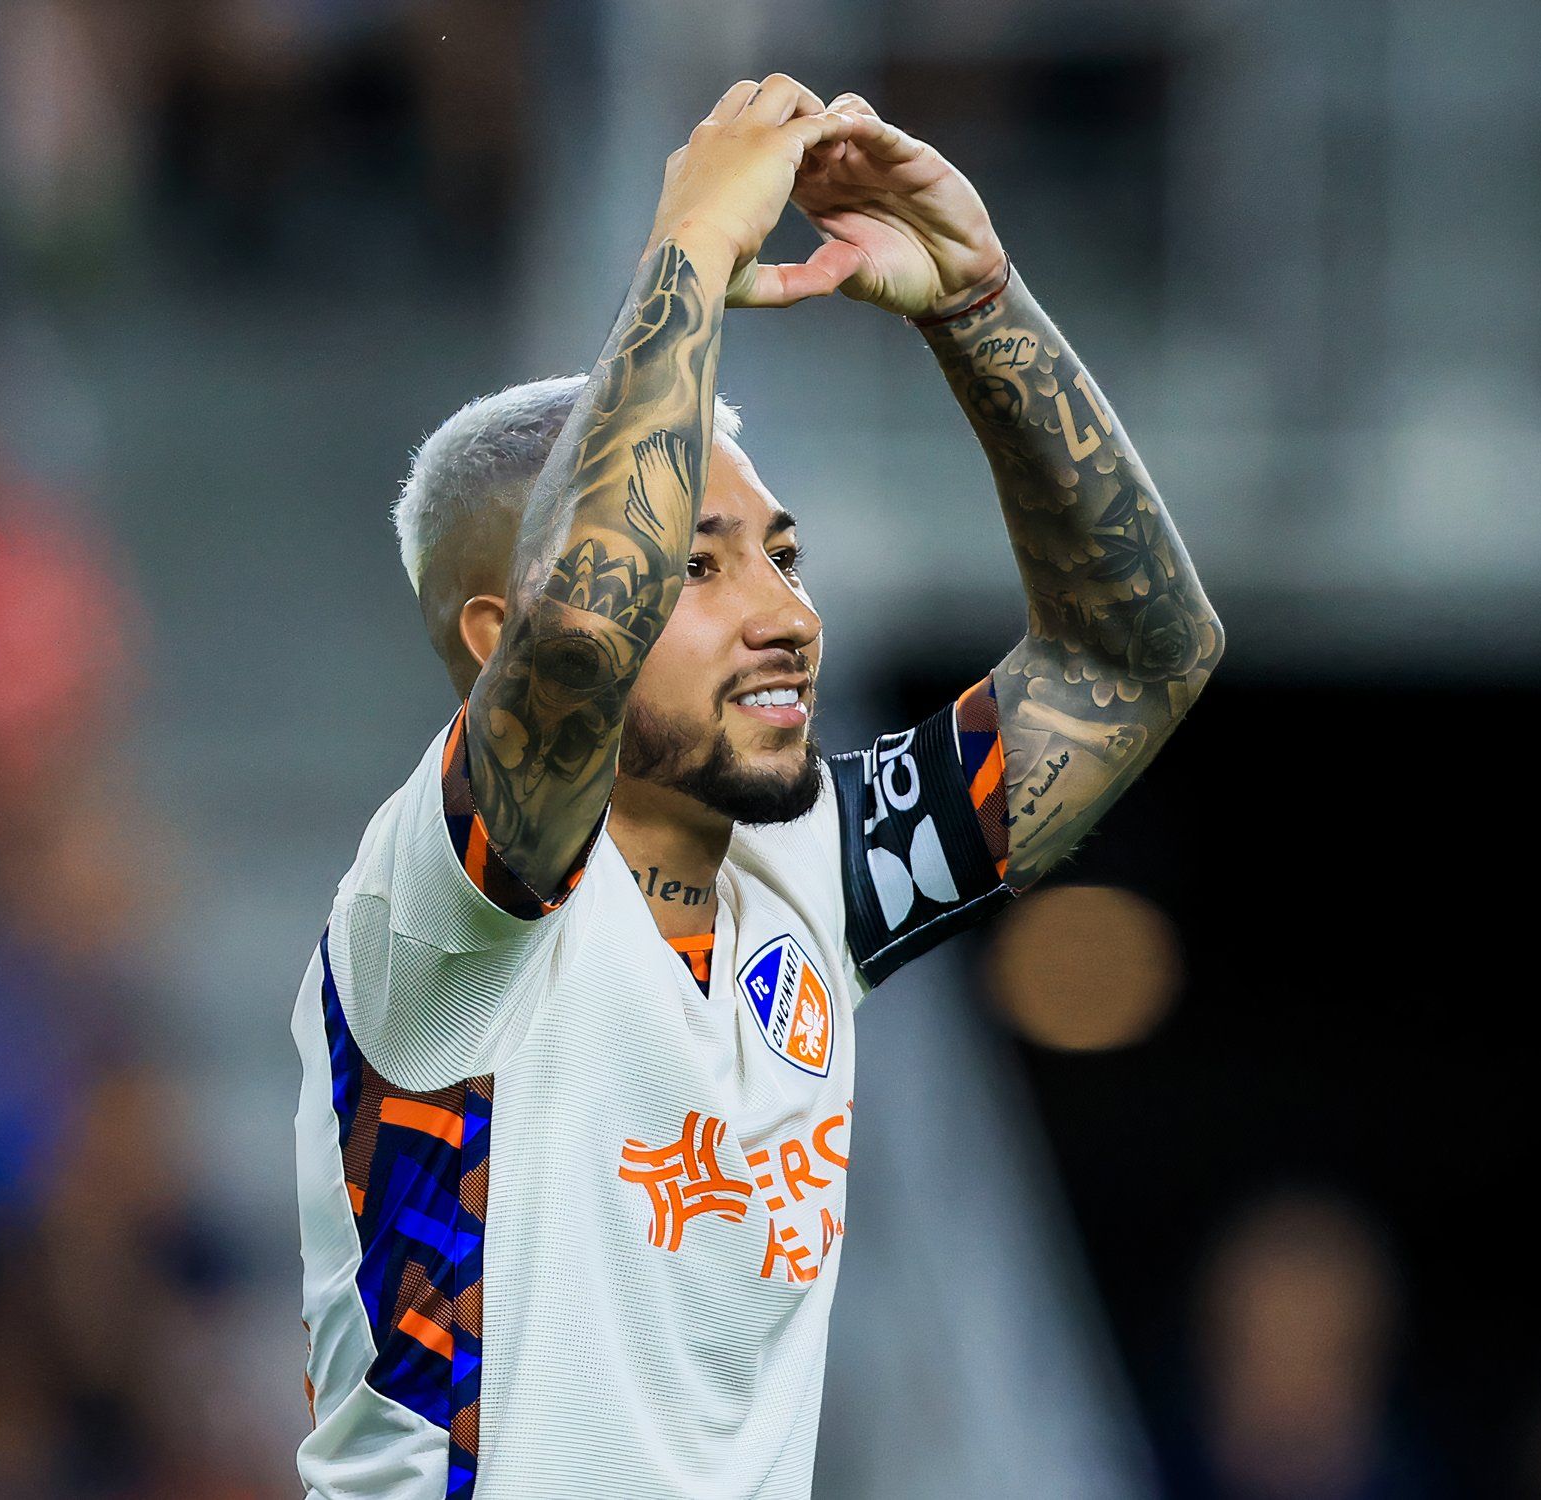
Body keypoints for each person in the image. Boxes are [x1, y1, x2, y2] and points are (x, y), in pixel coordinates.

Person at [288, 75, 1220, 1498]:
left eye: (782, 554)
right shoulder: (441, 917)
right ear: (494, 644)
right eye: (699, 563)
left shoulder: (811, 884)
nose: (784, 610)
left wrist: (981, 305)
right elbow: (587, 631)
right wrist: (690, 254)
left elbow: (1135, 661)